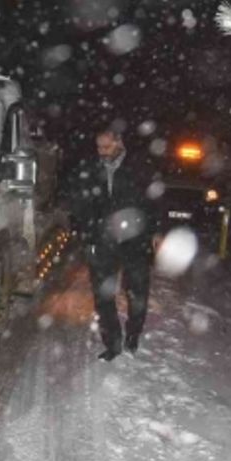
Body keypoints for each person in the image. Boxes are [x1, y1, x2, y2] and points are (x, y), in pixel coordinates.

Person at [66, 126, 158, 361]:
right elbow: (80, 203)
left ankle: (133, 335)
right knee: (103, 296)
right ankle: (113, 343)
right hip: (103, 241)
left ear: (119, 143)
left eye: (106, 146)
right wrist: (86, 232)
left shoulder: (139, 168)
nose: (102, 151)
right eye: (98, 146)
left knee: (137, 292)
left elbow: (153, 202)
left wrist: (154, 233)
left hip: (135, 241)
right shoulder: (91, 169)